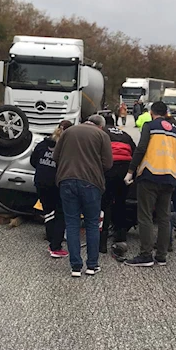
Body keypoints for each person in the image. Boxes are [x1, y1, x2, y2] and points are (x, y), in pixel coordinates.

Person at [124, 101, 176, 267]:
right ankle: (161, 255)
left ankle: (145, 255)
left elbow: (141, 148)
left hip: (150, 176)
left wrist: (131, 171)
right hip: (170, 178)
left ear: (152, 112)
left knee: (145, 215)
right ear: (166, 112)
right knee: (164, 217)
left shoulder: (150, 126)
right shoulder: (175, 130)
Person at [53, 115, 113, 277]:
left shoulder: (68, 132)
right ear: (100, 126)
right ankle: (92, 265)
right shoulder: (102, 135)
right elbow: (108, 164)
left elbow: (55, 156)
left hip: (66, 181)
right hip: (91, 183)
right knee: (92, 224)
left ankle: (75, 267)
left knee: (72, 224)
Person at [31, 120, 73, 258]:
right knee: (61, 213)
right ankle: (56, 246)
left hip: (40, 181)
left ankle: (50, 237)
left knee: (48, 210)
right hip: (56, 182)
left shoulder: (42, 144)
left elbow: (33, 161)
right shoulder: (66, 147)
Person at [100, 114, 136, 254]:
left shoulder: (102, 132)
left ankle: (102, 243)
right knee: (121, 203)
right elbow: (135, 152)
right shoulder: (125, 134)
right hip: (125, 169)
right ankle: (120, 237)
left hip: (110, 169)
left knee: (105, 204)